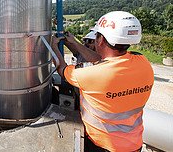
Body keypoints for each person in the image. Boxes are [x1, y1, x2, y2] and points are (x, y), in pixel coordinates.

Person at [51, 11, 154, 151]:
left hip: (101, 145)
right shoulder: (144, 64)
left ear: (100, 40)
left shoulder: (89, 75)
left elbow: (61, 68)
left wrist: (53, 46)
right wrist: (74, 42)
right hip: (134, 144)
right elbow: (102, 60)